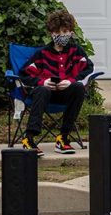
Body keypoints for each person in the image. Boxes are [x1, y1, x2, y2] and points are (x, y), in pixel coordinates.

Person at [18, 9, 93, 156]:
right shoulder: (42, 54)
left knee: (78, 88)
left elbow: (88, 69)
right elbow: (24, 74)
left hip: (65, 93)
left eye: (67, 31)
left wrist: (70, 81)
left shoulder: (76, 51)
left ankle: (63, 138)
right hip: (45, 95)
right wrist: (42, 82)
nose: (64, 35)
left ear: (71, 32)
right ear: (52, 33)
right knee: (42, 89)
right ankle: (29, 139)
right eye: (60, 32)